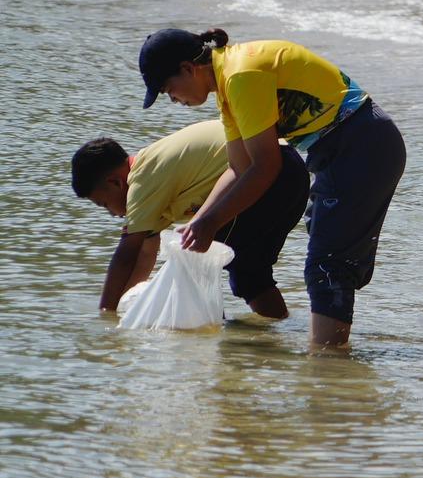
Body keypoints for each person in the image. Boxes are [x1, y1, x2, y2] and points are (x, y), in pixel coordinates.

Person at [136, 28, 405, 348]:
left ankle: (327, 365)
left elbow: (266, 167)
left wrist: (212, 222)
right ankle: (330, 358)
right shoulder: (228, 86)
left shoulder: (241, 75)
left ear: (188, 68)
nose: (173, 99)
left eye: (168, 90)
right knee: (329, 257)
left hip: (361, 145)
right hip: (348, 150)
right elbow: (239, 168)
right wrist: (199, 222)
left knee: (327, 265)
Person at [72, 120, 309, 319]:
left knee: (195, 258)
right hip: (291, 172)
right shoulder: (151, 183)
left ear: (115, 182)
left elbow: (126, 256)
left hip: (266, 170)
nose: (113, 214)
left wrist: (106, 315)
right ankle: (278, 330)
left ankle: (211, 331)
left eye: (104, 204)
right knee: (250, 274)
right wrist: (125, 310)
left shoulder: (142, 179)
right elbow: (144, 255)